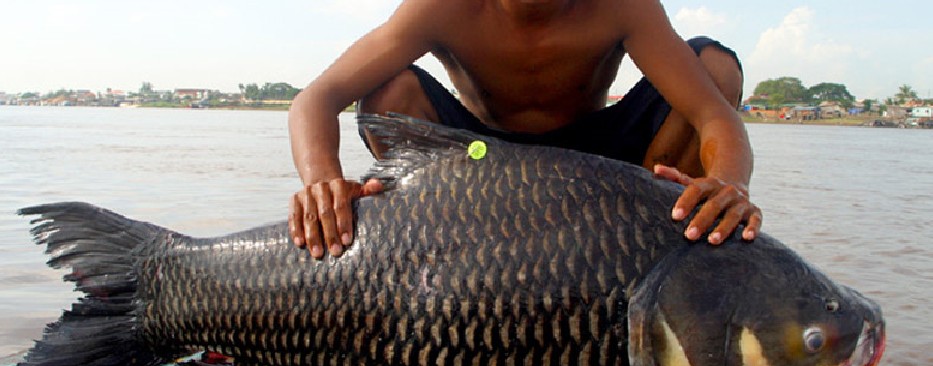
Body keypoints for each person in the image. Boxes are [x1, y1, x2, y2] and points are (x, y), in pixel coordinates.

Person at [288, 0, 762, 259]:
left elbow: (712, 113)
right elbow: (316, 99)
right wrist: (321, 180)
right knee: (389, 93)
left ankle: (663, 241)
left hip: (603, 168)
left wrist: (729, 182)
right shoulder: (438, 7)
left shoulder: (625, 5)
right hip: (481, 167)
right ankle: (443, 252)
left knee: (715, 68)